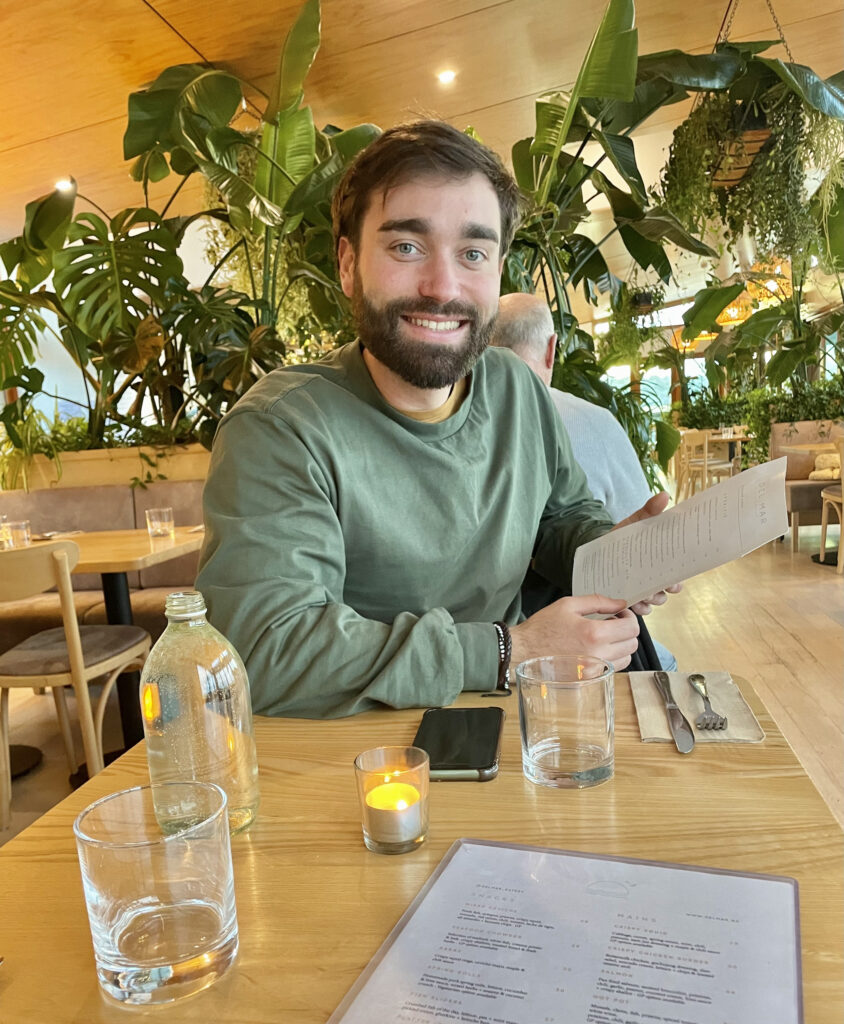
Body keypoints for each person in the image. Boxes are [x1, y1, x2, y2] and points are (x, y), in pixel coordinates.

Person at [196, 121, 675, 718]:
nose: (443, 287)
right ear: (348, 264)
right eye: (406, 247)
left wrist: (610, 551)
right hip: (353, 757)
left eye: (472, 253)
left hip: (512, 728)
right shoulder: (282, 427)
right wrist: (507, 651)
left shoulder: (516, 388)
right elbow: (266, 650)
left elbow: (562, 517)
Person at [490, 292, 678, 671]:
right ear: (552, 350)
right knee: (666, 667)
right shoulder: (590, 418)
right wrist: (514, 646)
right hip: (545, 657)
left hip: (529, 653)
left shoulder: (536, 416)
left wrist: (610, 551)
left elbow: (565, 517)